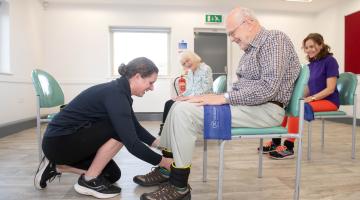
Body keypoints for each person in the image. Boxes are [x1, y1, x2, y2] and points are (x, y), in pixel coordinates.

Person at [133, 7, 301, 200]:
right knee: (177, 106)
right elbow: (243, 91)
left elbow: (268, 88)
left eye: (232, 32)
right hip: (250, 106)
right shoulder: (249, 52)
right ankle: (166, 168)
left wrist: (223, 98)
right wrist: (214, 97)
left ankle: (179, 187)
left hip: (267, 109)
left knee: (184, 113)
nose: (232, 38)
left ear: (249, 23)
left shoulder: (274, 39)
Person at [34, 57, 173, 199]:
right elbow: (132, 144)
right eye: (150, 82)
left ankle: (56, 166)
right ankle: (88, 180)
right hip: (59, 142)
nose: (152, 87)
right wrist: (165, 163)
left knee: (112, 175)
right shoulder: (115, 95)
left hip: (69, 141)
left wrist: (159, 144)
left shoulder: (120, 92)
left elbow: (135, 127)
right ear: (137, 77)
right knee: (118, 129)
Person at [266, 33, 340, 159]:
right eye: (306, 47)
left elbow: (330, 89)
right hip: (316, 100)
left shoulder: (330, 61)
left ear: (321, 45)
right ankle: (275, 142)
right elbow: (308, 88)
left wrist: (310, 98)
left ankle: (289, 147)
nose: (309, 50)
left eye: (312, 46)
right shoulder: (310, 65)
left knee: (298, 108)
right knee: (288, 105)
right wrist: (294, 98)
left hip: (330, 101)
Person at [159, 51, 213, 135]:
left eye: (188, 60)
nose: (187, 64)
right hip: (193, 98)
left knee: (175, 105)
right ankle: (165, 128)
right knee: (169, 103)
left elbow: (205, 89)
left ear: (194, 58)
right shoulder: (190, 72)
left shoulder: (206, 69)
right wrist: (181, 96)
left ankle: (170, 130)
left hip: (203, 98)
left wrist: (187, 98)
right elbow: (190, 89)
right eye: (184, 63)